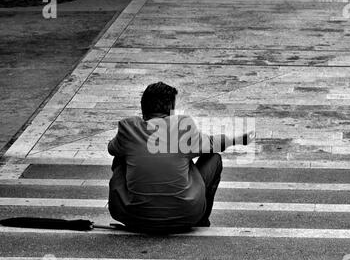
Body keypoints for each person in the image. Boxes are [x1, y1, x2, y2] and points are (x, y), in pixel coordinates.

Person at [107, 82, 254, 234]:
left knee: (120, 156)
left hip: (134, 219)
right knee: (213, 158)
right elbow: (212, 143)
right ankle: (201, 220)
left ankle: (136, 207)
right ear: (171, 110)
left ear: (143, 108)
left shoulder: (128, 128)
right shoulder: (182, 126)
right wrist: (235, 140)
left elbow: (111, 148)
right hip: (186, 216)